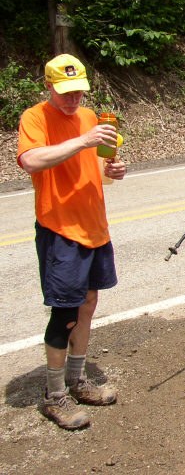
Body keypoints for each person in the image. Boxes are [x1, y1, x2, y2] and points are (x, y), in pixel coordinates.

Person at [17, 54, 127, 429]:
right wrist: (83, 140)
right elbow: (31, 160)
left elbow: (96, 168)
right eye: (65, 93)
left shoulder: (91, 117)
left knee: (89, 303)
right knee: (64, 312)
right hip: (59, 227)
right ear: (48, 86)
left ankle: (78, 381)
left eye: (78, 92)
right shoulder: (35, 117)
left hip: (94, 224)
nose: (73, 100)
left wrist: (113, 170)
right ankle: (54, 396)